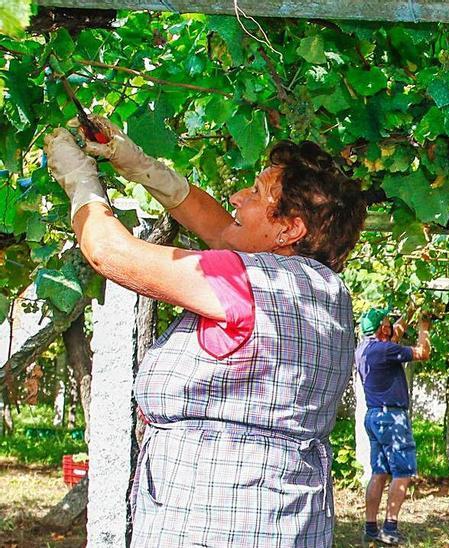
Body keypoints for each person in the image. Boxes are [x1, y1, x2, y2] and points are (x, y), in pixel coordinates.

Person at [44, 117, 367, 546]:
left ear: (289, 229)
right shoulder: (325, 293)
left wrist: (79, 179)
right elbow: (218, 228)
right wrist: (137, 164)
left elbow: (108, 252)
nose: (237, 196)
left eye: (255, 193)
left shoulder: (240, 280)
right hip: (288, 521)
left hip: (210, 521)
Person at [357, 306, 431, 545]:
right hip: (393, 418)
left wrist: (411, 310)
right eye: (387, 323)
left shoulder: (365, 349)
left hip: (374, 416)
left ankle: (370, 527)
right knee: (403, 472)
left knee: (379, 472)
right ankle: (390, 528)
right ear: (382, 328)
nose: (391, 327)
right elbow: (423, 353)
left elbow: (395, 334)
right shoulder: (386, 350)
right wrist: (424, 329)